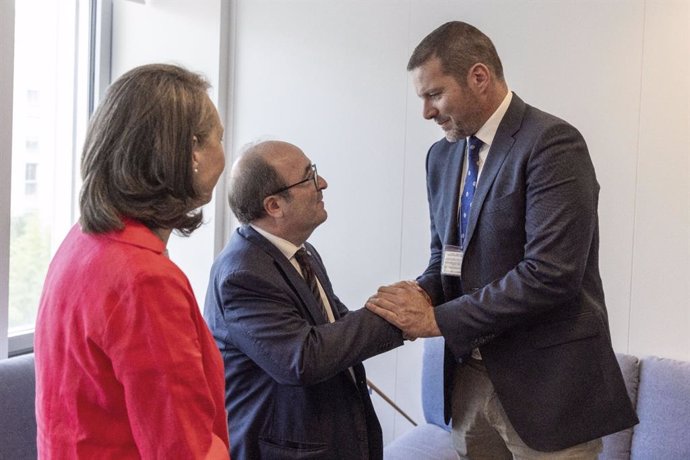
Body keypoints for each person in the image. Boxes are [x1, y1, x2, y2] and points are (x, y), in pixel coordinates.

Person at [366, 21, 638, 459]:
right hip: (466, 385)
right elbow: (446, 258)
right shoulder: (441, 155)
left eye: (434, 94)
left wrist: (437, 320)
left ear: (479, 77)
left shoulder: (552, 144)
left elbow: (550, 274)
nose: (427, 113)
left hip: (547, 391)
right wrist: (415, 294)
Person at [34, 64, 230, 459]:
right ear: (190, 151)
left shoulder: (83, 241)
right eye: (218, 139)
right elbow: (184, 451)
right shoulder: (144, 280)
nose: (223, 154)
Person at [203, 140, 404, 460]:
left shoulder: (302, 252)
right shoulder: (242, 275)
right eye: (309, 176)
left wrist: (392, 310)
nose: (322, 183)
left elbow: (335, 326)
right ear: (274, 206)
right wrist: (399, 317)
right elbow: (303, 358)